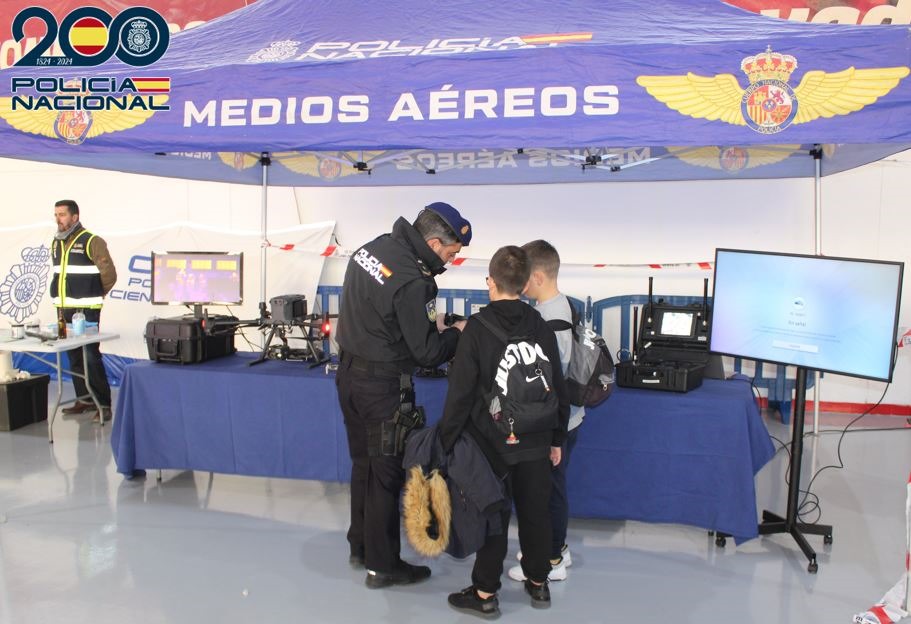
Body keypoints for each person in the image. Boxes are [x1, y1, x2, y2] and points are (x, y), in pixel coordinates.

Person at [335, 202, 470, 589]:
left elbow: (382, 314)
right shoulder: (416, 280)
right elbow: (426, 353)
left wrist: (428, 326)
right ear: (432, 242)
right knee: (385, 476)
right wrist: (456, 333)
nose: (451, 258)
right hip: (381, 389)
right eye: (450, 251)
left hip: (348, 376)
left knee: (363, 465)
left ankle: (360, 546)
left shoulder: (372, 249)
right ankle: (383, 566)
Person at [438, 245, 569, 617]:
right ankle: (539, 583)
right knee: (536, 512)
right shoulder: (541, 326)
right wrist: (556, 438)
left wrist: (445, 442)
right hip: (537, 436)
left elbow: (460, 394)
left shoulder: (477, 330)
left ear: (489, 282)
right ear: (526, 283)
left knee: (493, 514)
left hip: (492, 442)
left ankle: (484, 593)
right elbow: (556, 385)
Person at [507, 239, 584, 583]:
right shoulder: (559, 305)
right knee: (552, 486)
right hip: (567, 418)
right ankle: (555, 547)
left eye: (522, 275)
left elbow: (550, 378)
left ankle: (551, 557)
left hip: (556, 423)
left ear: (536, 276)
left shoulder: (551, 320)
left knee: (548, 489)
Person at [52, 199, 117, 423]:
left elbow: (109, 273)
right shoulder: (56, 242)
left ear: (75, 217)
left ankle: (104, 404)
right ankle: (85, 399)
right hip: (63, 310)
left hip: (86, 310)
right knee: (73, 355)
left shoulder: (91, 241)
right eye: (56, 215)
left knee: (90, 355)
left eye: (62, 214)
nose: (58, 219)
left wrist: (96, 293)